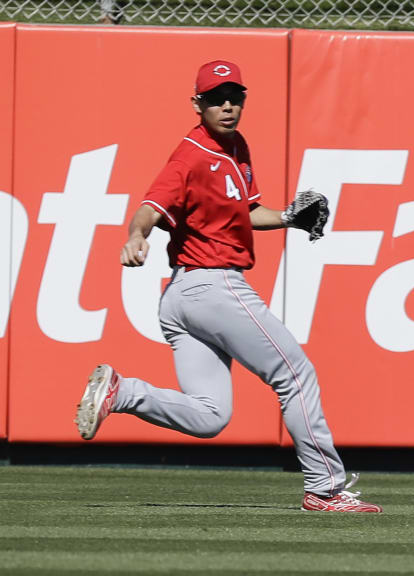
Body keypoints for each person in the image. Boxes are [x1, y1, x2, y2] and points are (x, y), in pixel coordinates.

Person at [73, 60, 381, 513]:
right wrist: (137, 235)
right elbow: (152, 205)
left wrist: (289, 218)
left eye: (234, 97)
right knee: (295, 374)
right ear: (196, 103)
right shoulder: (191, 155)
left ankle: (125, 392)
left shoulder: (236, 149)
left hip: (182, 296)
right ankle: (326, 489)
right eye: (216, 98)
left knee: (210, 415)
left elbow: (245, 215)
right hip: (210, 284)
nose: (227, 105)